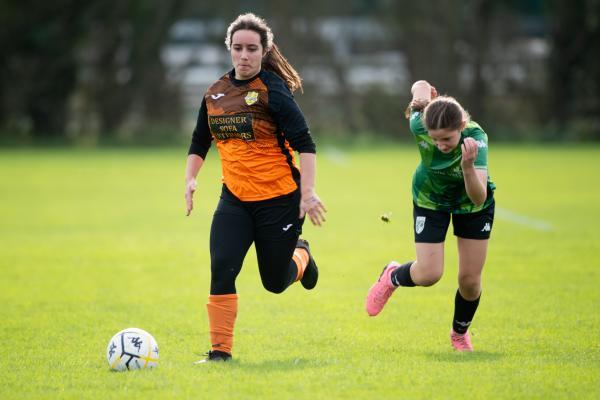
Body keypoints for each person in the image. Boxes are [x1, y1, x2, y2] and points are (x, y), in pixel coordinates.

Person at [185, 13, 326, 363]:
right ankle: (220, 352)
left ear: (264, 50)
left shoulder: (273, 91)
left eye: (251, 49)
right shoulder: (215, 92)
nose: (244, 55)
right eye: (238, 48)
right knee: (222, 266)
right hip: (234, 198)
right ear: (229, 50)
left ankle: (302, 256)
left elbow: (305, 144)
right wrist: (190, 178)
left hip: (279, 199)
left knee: (275, 282)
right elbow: (200, 140)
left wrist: (307, 194)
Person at [365, 80, 496, 352]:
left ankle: (459, 334)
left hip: (471, 203)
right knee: (429, 274)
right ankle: (392, 276)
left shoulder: (476, 139)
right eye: (435, 139)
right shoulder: (419, 124)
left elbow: (479, 197)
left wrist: (468, 166)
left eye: (446, 139)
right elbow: (420, 85)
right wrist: (423, 95)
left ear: (461, 126)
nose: (440, 145)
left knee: (470, 281)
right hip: (430, 198)